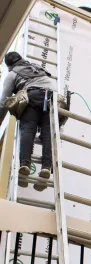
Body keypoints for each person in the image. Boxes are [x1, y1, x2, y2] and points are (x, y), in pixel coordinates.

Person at [0, 51, 55, 187]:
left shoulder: (12, 74)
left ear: (9, 66)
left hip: (32, 95)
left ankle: (25, 165)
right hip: (52, 97)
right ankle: (46, 167)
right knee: (48, 133)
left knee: (28, 129)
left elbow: (3, 103)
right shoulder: (35, 66)